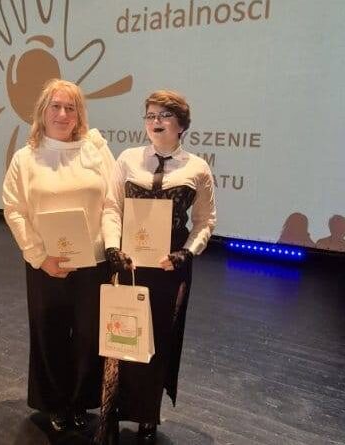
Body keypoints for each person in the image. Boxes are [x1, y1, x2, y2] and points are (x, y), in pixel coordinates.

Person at [101, 90, 216, 443]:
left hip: (169, 267)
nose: (156, 121)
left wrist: (186, 253)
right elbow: (111, 208)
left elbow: (205, 221)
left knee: (158, 340)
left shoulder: (197, 168)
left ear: (181, 125)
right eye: (150, 115)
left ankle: (147, 414)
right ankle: (111, 411)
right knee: (122, 337)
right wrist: (112, 247)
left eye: (164, 115)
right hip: (129, 262)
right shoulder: (127, 159)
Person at [2, 79, 115, 433]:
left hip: (93, 262)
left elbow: (113, 202)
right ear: (42, 111)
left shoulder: (96, 151)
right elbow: (14, 209)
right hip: (46, 263)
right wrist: (39, 257)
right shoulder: (25, 158)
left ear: (79, 114)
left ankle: (80, 400)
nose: (63, 114)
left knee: (88, 336)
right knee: (49, 333)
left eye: (71, 108)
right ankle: (54, 402)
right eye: (56, 106)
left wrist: (112, 247)